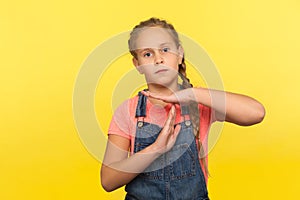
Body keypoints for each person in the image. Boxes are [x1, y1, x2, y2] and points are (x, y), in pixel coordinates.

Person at [100, 17, 265, 200]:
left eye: (165, 49)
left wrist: (191, 95)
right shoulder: (129, 111)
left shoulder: (201, 102)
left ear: (179, 54)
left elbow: (256, 113)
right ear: (137, 65)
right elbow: (108, 180)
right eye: (148, 54)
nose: (158, 59)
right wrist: (155, 149)